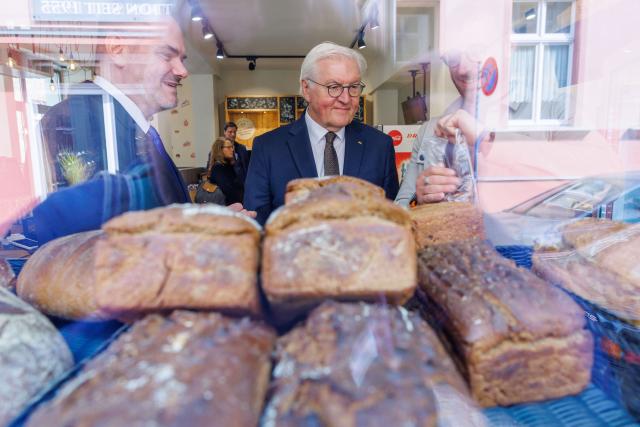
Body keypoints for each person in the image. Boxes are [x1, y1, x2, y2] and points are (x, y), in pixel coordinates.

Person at [31, 17, 252, 244]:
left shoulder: (132, 125)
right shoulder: (75, 122)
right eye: (167, 55)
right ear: (117, 49)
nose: (183, 71)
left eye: (181, 59)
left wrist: (205, 226)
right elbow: (95, 246)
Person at [244, 42, 399, 224]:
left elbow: (391, 219)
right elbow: (257, 223)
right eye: (334, 87)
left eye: (353, 87)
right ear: (306, 89)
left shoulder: (380, 146)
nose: (346, 98)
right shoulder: (268, 147)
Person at [395, 49, 494, 207]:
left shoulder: (535, 127)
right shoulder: (429, 130)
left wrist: (483, 140)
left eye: (474, 50)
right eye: (453, 57)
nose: (462, 69)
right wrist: (418, 201)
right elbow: (400, 206)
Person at [208, 137, 245, 205]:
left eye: (232, 147)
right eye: (228, 147)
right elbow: (229, 190)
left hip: (234, 205)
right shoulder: (218, 167)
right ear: (219, 149)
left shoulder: (228, 165)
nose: (232, 150)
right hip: (227, 208)